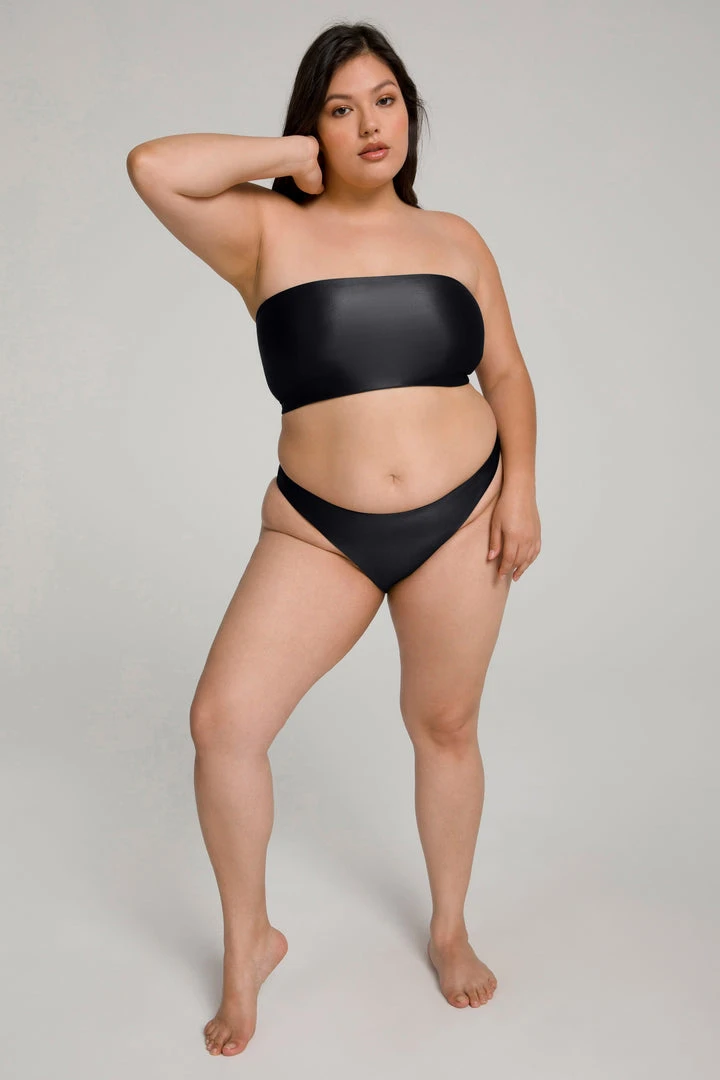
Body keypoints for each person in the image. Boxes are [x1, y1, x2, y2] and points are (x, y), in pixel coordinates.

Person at [126, 20, 541, 1058]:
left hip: (465, 514)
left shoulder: (455, 239)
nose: (370, 125)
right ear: (314, 127)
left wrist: (523, 492)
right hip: (321, 529)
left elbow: (506, 374)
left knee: (444, 724)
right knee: (224, 723)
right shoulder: (264, 232)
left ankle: (449, 929)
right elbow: (153, 167)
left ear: (411, 112)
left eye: (385, 100)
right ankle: (249, 944)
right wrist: (287, 160)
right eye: (341, 108)